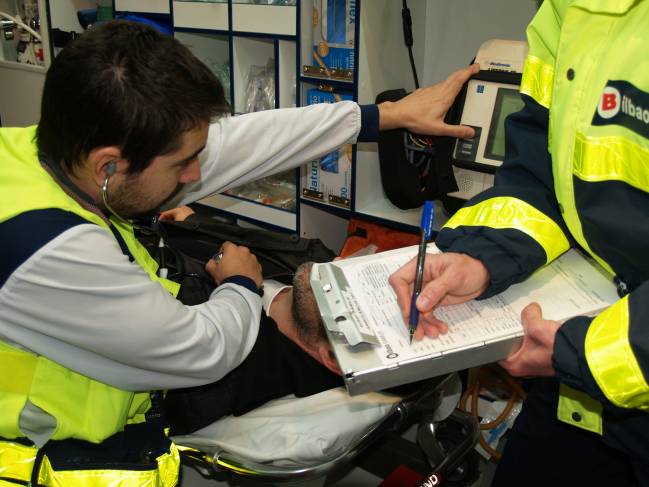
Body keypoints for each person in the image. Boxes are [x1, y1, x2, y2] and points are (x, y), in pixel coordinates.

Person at [0, 19, 479, 486]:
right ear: (109, 165)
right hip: (53, 448)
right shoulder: (43, 251)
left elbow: (238, 143)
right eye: (183, 164)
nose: (195, 178)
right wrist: (240, 284)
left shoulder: (40, 153)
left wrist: (383, 117)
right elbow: (202, 349)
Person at [390, 1, 649, 485]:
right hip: (578, 386)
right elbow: (541, 174)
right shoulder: (567, 9)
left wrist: (589, 352)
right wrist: (480, 256)